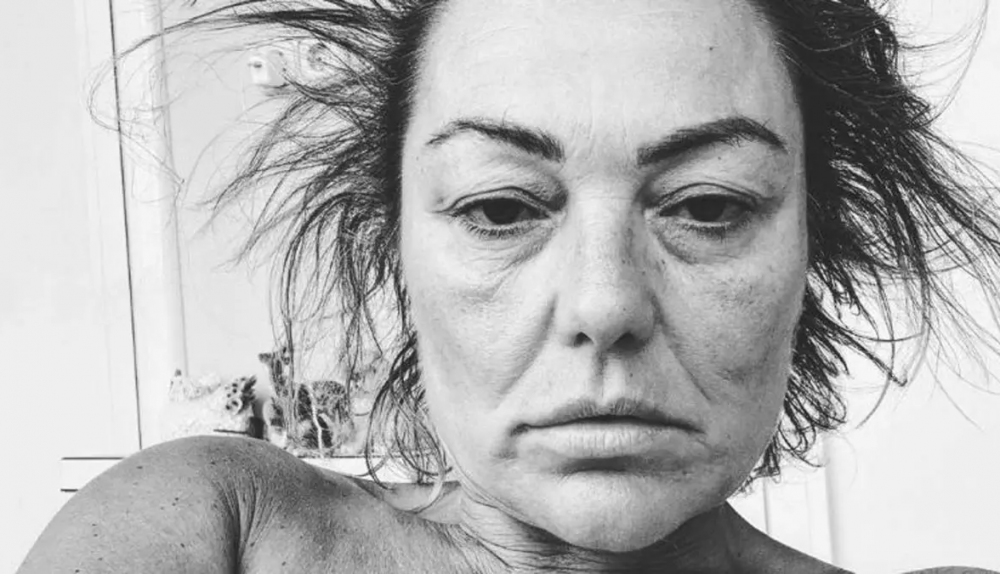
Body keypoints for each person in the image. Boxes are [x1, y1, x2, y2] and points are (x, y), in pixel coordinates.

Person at [17, 0, 1000, 572]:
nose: (604, 305)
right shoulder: (221, 526)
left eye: (708, 206)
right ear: (396, 248)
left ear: (810, 247)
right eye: (498, 208)